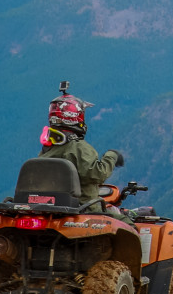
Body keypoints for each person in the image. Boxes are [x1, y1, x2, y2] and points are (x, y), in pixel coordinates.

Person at [37, 82, 125, 215]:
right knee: (129, 224)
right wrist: (112, 156)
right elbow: (98, 174)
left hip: (50, 209)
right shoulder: (77, 147)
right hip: (84, 210)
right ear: (76, 116)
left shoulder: (47, 150)